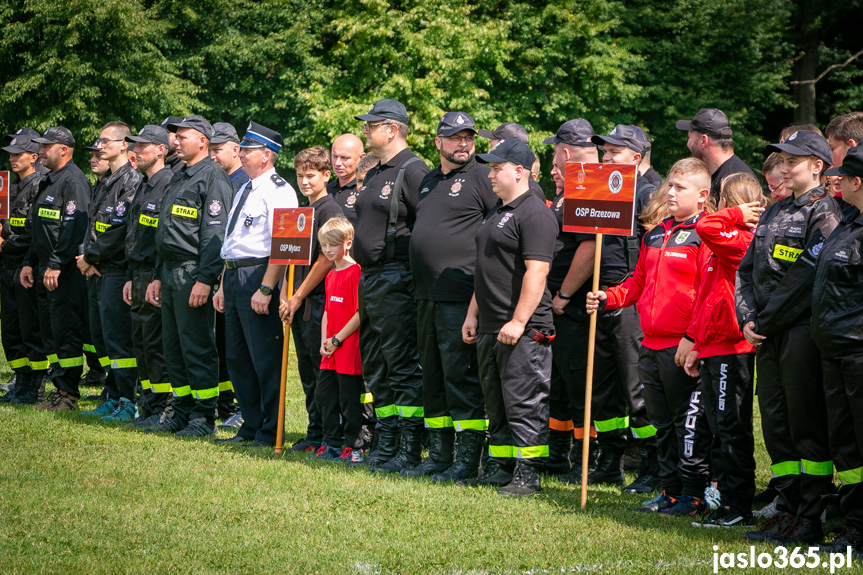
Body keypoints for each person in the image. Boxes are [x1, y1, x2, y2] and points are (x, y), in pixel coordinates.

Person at [587, 157, 713, 516]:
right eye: (669, 185)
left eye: (679, 188)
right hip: (650, 342)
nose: (670, 193)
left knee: (685, 424)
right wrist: (609, 296)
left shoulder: (706, 232)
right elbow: (639, 282)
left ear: (702, 195)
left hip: (682, 346)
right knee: (661, 423)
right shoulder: (657, 231)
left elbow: (709, 293)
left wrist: (692, 338)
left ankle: (694, 492)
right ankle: (669, 490)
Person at [736, 130, 842, 544]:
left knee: (804, 424)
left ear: (817, 165)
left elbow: (806, 278)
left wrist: (765, 321)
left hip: (797, 331)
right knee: (777, 425)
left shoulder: (826, 212)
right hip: (765, 331)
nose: (784, 165)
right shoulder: (773, 212)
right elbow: (746, 271)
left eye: (793, 159)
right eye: (781, 158)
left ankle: (811, 517)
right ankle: (787, 509)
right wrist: (748, 318)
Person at [461, 139, 557, 496]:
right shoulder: (498, 211)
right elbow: (485, 269)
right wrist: (473, 313)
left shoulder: (535, 212)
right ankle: (500, 468)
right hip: (490, 324)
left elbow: (537, 272)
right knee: (497, 403)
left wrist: (517, 322)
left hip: (523, 328)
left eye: (496, 168)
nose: (489, 175)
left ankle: (527, 475)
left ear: (519, 172)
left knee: (524, 401)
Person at [406, 111, 497, 482]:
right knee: (434, 379)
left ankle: (467, 458)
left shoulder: (482, 176)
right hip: (426, 296)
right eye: (455, 137)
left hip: (462, 297)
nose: (463, 144)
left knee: (461, 379)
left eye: (469, 137)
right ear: (438, 142)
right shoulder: (428, 180)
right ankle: (439, 453)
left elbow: (496, 233)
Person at [351, 99, 430, 472]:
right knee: (376, 365)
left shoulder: (414, 170)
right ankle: (386, 440)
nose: (366, 131)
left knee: (400, 365)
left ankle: (409, 446)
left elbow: (427, 229)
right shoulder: (377, 171)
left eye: (371, 125)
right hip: (370, 279)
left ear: (392, 130)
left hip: (397, 278)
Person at [683, 173, 764, 528]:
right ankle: (727, 500)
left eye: (721, 198)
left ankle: (738, 505)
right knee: (720, 426)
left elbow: (706, 227)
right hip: (714, 346)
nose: (714, 204)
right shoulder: (720, 243)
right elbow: (704, 299)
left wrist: (735, 215)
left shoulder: (738, 238)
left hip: (734, 346)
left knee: (732, 426)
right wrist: (697, 344)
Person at [145, 115, 233, 436]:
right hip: (169, 272)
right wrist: (157, 274)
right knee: (173, 347)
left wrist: (206, 279)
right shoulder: (179, 174)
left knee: (197, 346)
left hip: (192, 272)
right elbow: (165, 230)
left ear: (203, 141)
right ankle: (181, 412)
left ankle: (202, 417)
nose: (176, 140)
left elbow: (215, 236)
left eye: (183, 136)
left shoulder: (213, 178)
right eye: (176, 136)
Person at [584, 124, 660, 489]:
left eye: (614, 151)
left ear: (635, 156)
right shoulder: (601, 187)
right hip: (601, 296)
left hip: (633, 301)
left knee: (636, 387)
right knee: (603, 386)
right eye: (604, 151)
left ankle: (651, 463)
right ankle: (609, 459)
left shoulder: (649, 195)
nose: (606, 157)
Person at [213, 121, 296, 447]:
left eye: (247, 151)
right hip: (234, 275)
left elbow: (283, 245)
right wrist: (222, 284)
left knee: (264, 357)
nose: (242, 155)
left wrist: (266, 288)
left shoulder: (280, 191)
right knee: (238, 357)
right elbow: (232, 242)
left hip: (259, 276)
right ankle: (250, 424)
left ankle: (269, 429)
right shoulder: (244, 188)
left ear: (266, 155)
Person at [811, 145, 863, 554]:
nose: (836, 182)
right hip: (834, 353)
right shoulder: (847, 223)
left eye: (841, 177)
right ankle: (855, 527)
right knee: (847, 447)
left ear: (856, 182)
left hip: (858, 354)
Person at [540, 118, 597, 478]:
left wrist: (562, 295)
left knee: (578, 383)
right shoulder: (571, 187)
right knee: (558, 382)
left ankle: (585, 460)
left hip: (572, 306)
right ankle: (558, 454)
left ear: (564, 152)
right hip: (558, 306)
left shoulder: (586, 185)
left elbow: (589, 248)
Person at [19, 127, 90, 410]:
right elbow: (40, 228)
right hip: (43, 270)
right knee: (50, 332)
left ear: (64, 150)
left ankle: (68, 393)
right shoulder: (48, 180)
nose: (41, 152)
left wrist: (56, 264)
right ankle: (58, 390)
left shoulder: (74, 181)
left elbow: (74, 229)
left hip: (64, 273)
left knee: (66, 332)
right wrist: (29, 262)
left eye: (46, 147)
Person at [77, 121, 142, 422]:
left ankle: (128, 401)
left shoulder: (132, 181)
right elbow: (93, 225)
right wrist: (85, 255)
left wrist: (90, 256)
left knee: (119, 341)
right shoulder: (105, 181)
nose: (100, 146)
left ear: (124, 144)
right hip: (96, 270)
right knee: (102, 339)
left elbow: (119, 231)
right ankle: (113, 394)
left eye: (106, 141)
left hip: (114, 270)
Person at [278, 146, 340, 454]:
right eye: (300, 175)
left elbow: (326, 259)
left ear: (326, 175)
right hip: (296, 303)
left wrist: (299, 295)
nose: (304, 181)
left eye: (311, 176)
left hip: (317, 303)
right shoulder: (299, 212)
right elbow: (287, 257)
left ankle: (330, 436)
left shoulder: (330, 209)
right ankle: (314, 432)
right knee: (306, 372)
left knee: (321, 371)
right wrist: (284, 295)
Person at [124, 125, 175, 428]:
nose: (135, 151)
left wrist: (155, 275)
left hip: (155, 275)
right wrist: (132, 275)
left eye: (142, 146)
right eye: (134, 145)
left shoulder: (168, 183)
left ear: (160, 150)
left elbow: (164, 237)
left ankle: (164, 405)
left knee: (156, 344)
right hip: (138, 274)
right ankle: (150, 403)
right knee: (141, 344)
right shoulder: (144, 184)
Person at [0, 129, 48, 404]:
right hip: (6, 266)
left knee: (31, 327)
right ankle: (20, 381)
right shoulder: (10, 185)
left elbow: (33, 234)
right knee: (10, 328)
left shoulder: (39, 184)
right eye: (10, 155)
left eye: (18, 154)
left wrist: (5, 245)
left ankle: (36, 386)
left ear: (34, 156)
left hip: (25, 265)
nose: (12, 159)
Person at [317, 217, 365, 463]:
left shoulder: (356, 273)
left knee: (349, 401)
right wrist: (326, 340)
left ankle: (354, 447)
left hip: (348, 348)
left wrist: (337, 339)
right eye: (324, 245)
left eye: (332, 245)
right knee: (324, 397)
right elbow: (326, 311)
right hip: (331, 349)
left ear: (347, 244)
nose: (327, 250)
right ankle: (331, 443)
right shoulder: (330, 275)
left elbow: (359, 314)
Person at [677, 108, 755, 203]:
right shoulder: (719, 173)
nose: (687, 144)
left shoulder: (735, 181)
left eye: (689, 138)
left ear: (703, 141)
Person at [328, 134, 366, 224]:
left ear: (361, 158)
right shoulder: (325, 190)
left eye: (344, 158)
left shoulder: (366, 189)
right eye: (334, 156)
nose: (337, 163)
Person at [209, 122, 249, 192]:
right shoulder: (211, 179)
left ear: (235, 150)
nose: (211, 156)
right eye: (209, 151)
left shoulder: (246, 184)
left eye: (217, 150)